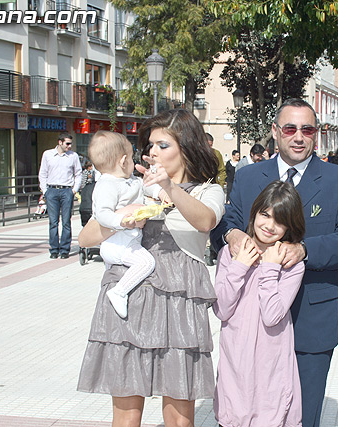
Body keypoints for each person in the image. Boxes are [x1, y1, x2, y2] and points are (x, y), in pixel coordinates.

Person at [211, 98, 338, 427]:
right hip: (250, 329)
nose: (298, 136)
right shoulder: (249, 177)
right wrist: (232, 236)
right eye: (290, 128)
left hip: (310, 322)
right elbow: (225, 223)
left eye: (307, 129)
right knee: (244, 415)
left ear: (316, 135)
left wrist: (304, 250)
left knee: (302, 419)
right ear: (276, 132)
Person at [77, 109, 225, 427]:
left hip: (181, 298)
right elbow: (85, 238)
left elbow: (206, 221)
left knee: (179, 418)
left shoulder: (207, 191)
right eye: (150, 146)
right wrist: (124, 215)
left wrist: (168, 189)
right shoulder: (132, 187)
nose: (152, 152)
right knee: (126, 416)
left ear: (186, 147)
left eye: (162, 145)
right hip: (129, 297)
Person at [213, 180, 306, 427]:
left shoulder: (290, 263)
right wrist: (240, 265)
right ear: (254, 212)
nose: (269, 225)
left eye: (279, 220)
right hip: (235, 361)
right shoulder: (231, 252)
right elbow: (221, 309)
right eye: (265, 215)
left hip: (271, 365)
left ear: (289, 227)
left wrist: (269, 268)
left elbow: (272, 315)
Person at [87, 131, 156, 319]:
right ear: (123, 160)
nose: (134, 163)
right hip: (118, 243)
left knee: (113, 274)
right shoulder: (107, 185)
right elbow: (102, 214)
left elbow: (146, 192)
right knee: (147, 262)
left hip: (126, 242)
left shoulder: (131, 181)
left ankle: (116, 290)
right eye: (133, 159)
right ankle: (119, 292)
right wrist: (122, 221)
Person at [38, 132, 82, 259]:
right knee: (53, 222)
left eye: (70, 144)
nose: (69, 146)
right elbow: (43, 173)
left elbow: (78, 173)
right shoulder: (48, 154)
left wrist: (74, 190)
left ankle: (64, 249)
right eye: (67, 143)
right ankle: (54, 249)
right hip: (52, 190)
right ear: (60, 142)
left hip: (66, 190)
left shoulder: (73, 156)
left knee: (66, 221)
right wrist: (45, 190)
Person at [79, 160, 98, 227]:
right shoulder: (85, 172)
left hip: (90, 191)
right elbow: (83, 182)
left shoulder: (92, 173)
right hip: (87, 191)